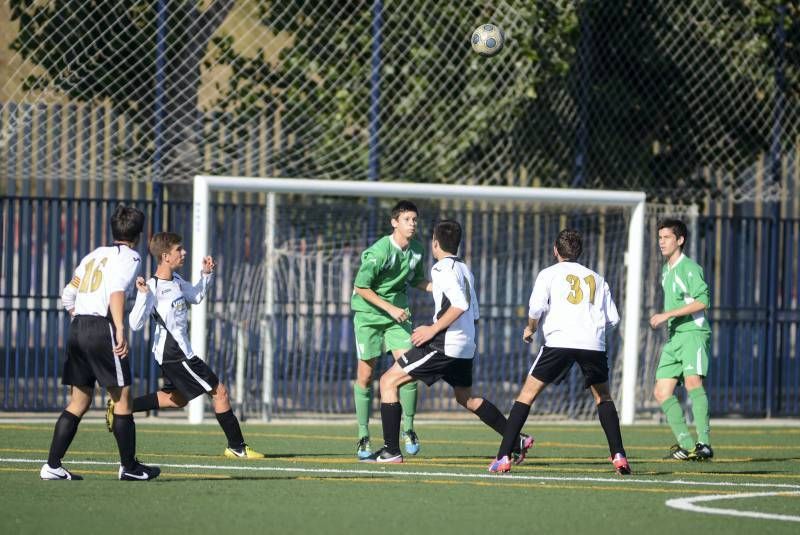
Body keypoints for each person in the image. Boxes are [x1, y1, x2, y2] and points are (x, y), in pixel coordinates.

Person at [362, 220, 533, 464]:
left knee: (388, 381)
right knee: (466, 398)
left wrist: (432, 330)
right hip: (465, 345)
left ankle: (391, 451)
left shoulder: (441, 269)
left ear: (435, 242)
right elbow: (472, 311)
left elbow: (461, 305)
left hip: (444, 345)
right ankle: (516, 440)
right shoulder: (465, 269)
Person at [488, 229, 630, 476]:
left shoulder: (548, 274)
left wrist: (530, 329)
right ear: (580, 252)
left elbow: (536, 308)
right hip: (592, 345)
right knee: (603, 398)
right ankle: (619, 456)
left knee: (526, 396)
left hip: (559, 343)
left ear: (556, 250)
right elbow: (613, 319)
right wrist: (590, 331)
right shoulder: (597, 277)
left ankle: (503, 458)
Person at [112, 232, 265, 459]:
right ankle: (237, 447)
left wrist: (206, 274)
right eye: (178, 250)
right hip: (175, 354)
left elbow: (196, 296)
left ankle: (122, 407)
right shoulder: (152, 286)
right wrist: (143, 296)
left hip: (177, 353)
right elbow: (134, 324)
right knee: (219, 392)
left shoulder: (176, 281)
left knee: (176, 399)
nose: (183, 253)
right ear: (165, 256)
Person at [41, 204, 160, 481]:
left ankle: (53, 465)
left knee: (79, 401)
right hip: (101, 327)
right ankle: (129, 467)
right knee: (123, 397)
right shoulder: (131, 257)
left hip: (79, 326)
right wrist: (119, 329)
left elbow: (67, 294)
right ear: (138, 235)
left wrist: (80, 319)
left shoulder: (93, 255)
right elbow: (116, 293)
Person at [351, 201, 431, 459]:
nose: (412, 224)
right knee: (366, 376)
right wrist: (389, 309)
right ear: (394, 222)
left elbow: (417, 280)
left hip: (397, 315)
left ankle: (408, 428)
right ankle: (363, 435)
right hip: (370, 316)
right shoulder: (379, 251)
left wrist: (438, 287)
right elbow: (362, 287)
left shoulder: (417, 250)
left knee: (408, 369)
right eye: (407, 219)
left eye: (414, 220)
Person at [650, 219, 713, 461]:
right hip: (675, 338)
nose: (661, 242)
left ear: (680, 240)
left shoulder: (689, 268)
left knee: (693, 383)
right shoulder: (666, 270)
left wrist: (666, 315)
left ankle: (704, 443)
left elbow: (702, 301)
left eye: (666, 237)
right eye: (659, 238)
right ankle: (687, 446)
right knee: (661, 391)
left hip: (693, 334)